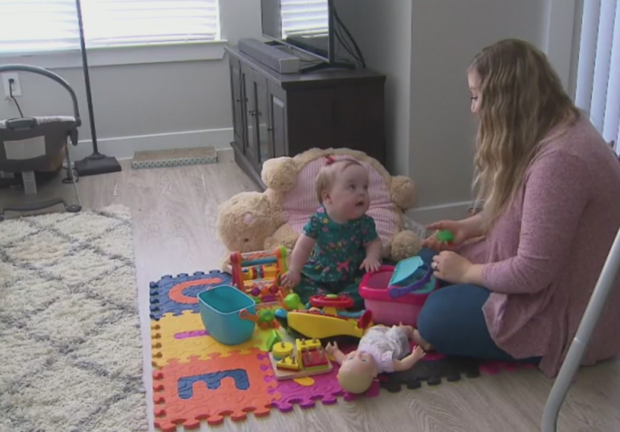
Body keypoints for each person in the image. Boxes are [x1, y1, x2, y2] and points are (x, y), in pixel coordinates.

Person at [411, 38, 620, 378]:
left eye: (477, 97)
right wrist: (475, 226)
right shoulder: (554, 127)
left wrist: (466, 273)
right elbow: (528, 210)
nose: (473, 109)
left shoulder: (561, 161)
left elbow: (532, 272)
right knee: (426, 262)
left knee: (436, 317)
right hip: (543, 281)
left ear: (505, 102)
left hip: (561, 311)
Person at [281, 156, 382, 308]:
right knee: (297, 282)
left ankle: (340, 300)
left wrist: (372, 258)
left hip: (353, 273)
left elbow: (373, 242)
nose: (362, 193)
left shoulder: (364, 222)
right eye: (352, 187)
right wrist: (294, 270)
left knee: (374, 280)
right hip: (322, 273)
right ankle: (321, 298)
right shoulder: (318, 220)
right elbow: (303, 247)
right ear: (327, 197)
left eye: (365, 187)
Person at [325, 324, 426, 394]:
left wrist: (335, 351)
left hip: (373, 337)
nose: (359, 353)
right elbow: (402, 365)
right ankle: (421, 340)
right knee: (407, 329)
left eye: (351, 357)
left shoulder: (354, 361)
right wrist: (414, 357)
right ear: (374, 372)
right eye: (364, 360)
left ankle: (387, 327)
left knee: (371, 328)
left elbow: (342, 359)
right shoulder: (383, 362)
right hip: (392, 339)